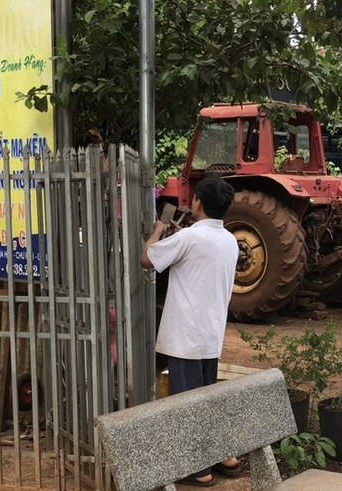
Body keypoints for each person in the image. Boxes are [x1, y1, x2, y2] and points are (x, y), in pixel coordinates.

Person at [140, 176, 241, 485]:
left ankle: (200, 470)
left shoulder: (189, 239)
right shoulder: (229, 240)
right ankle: (225, 455)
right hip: (211, 335)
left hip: (186, 335)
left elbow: (147, 260)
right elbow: (198, 255)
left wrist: (158, 231)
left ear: (198, 202)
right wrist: (180, 236)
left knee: (186, 402)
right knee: (206, 397)